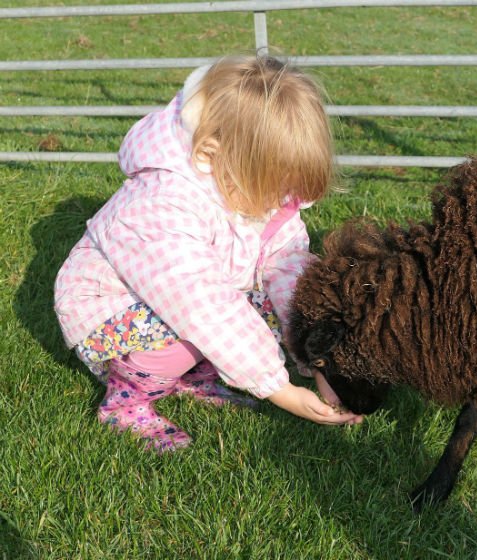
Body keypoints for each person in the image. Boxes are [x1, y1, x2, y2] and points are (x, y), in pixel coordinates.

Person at [54, 54, 363, 452]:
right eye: (271, 184)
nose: (279, 199)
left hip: (188, 297)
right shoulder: (162, 206)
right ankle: (126, 400)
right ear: (211, 153)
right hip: (106, 310)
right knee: (202, 327)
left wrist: (319, 363)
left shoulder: (248, 184)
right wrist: (280, 389)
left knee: (263, 302)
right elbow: (203, 307)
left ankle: (193, 375)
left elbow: (288, 268)